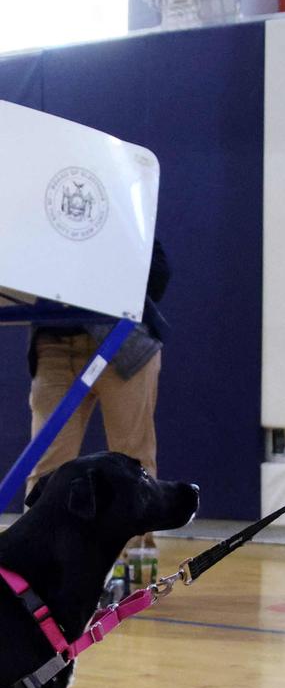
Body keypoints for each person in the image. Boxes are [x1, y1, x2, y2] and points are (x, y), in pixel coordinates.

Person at [25, 240, 171, 587]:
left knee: (132, 458)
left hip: (123, 340)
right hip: (55, 342)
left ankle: (135, 564)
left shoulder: (115, 204)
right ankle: (33, 560)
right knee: (46, 463)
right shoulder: (40, 208)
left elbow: (159, 272)